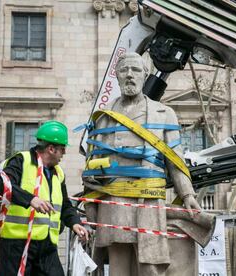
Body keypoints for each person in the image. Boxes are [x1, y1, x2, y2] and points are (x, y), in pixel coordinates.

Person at [83, 52, 202, 276]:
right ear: (117, 76)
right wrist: (91, 211)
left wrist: (188, 195)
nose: (129, 75)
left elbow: (174, 160)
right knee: (119, 267)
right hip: (114, 203)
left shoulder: (165, 114)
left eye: (136, 70)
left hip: (148, 200)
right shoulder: (103, 117)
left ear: (145, 76)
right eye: (124, 70)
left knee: (150, 267)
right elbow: (92, 167)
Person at [0, 121, 88, 276]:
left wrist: (75, 223)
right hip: (17, 244)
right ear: (51, 149)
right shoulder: (21, 161)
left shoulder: (58, 173)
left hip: (47, 246)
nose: (64, 154)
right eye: (62, 149)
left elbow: (65, 205)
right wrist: (30, 199)